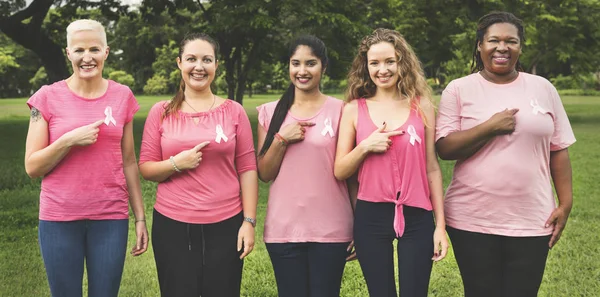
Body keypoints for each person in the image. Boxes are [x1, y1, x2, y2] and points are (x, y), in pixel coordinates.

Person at [435, 11, 575, 297]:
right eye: (493, 40)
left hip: (532, 218)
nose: (502, 47)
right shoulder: (459, 89)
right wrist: (489, 128)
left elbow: (558, 149)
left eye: (511, 41)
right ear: (479, 45)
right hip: (471, 218)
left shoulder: (543, 88)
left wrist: (566, 203)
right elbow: (445, 148)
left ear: (520, 47)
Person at [24, 19, 148, 297]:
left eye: (94, 49)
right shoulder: (46, 98)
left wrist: (140, 217)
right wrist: (68, 140)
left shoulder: (122, 96)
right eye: (79, 50)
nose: (87, 57)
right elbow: (32, 166)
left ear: (106, 51)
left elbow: (129, 161)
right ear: (68, 53)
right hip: (59, 218)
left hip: (111, 217)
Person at [138, 32, 258, 297]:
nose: (199, 67)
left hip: (226, 224)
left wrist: (248, 221)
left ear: (216, 65)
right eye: (191, 59)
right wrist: (176, 163)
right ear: (179, 63)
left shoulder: (234, 111)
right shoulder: (161, 112)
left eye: (207, 60)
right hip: (173, 226)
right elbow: (146, 168)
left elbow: (248, 169)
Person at [334, 28, 448, 297]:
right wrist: (365, 146)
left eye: (389, 61)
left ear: (402, 63)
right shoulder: (353, 109)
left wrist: (440, 226)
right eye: (374, 63)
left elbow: (432, 167)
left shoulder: (422, 106)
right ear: (366, 66)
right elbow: (340, 170)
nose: (382, 69)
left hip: (418, 215)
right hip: (370, 215)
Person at [256, 35, 355, 297]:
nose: (302, 71)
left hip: (332, 230)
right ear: (288, 66)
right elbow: (264, 173)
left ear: (323, 66)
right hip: (283, 231)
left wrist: (359, 224)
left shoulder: (342, 111)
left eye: (310, 63)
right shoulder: (270, 112)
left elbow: (352, 176)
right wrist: (281, 139)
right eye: (295, 63)